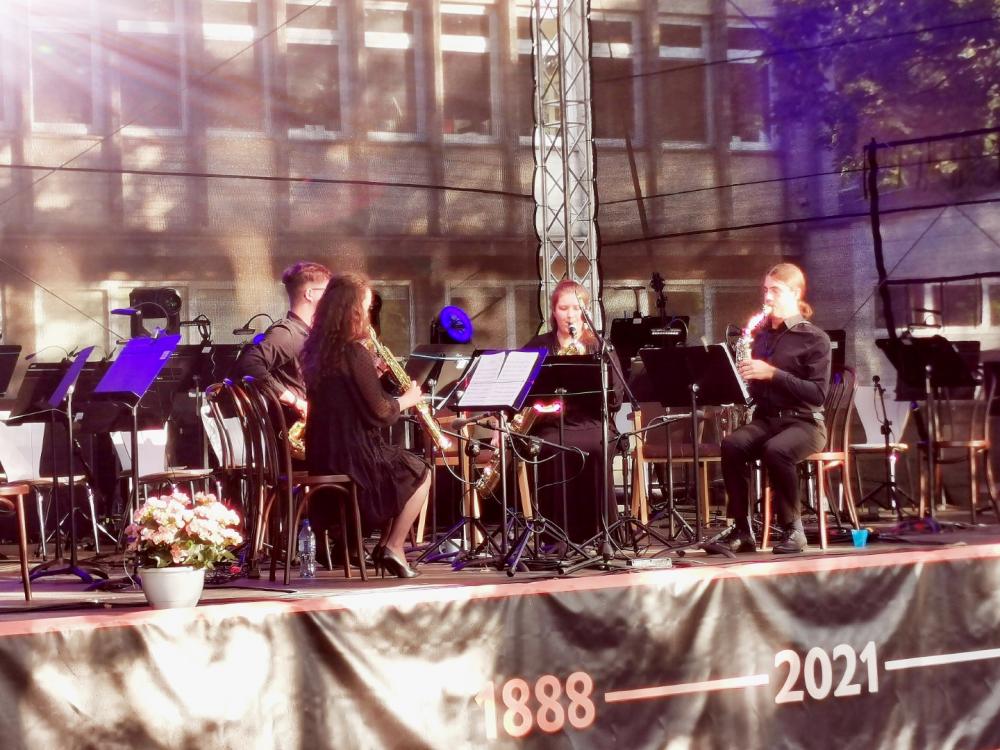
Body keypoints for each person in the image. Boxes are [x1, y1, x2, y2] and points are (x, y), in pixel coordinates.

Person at [301, 273, 430, 578]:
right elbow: (381, 412)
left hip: (322, 454)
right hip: (352, 456)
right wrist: (408, 399)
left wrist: (377, 379)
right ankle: (393, 546)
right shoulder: (354, 351)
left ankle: (377, 547)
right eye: (367, 306)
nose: (369, 314)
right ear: (353, 309)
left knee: (401, 467)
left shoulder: (317, 352)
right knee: (420, 471)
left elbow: (352, 401)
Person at [720, 263, 831, 554]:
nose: (767, 297)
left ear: (795, 293)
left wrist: (772, 374)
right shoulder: (762, 337)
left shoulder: (815, 339)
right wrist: (743, 379)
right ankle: (742, 530)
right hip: (768, 420)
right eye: (766, 290)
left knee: (776, 450)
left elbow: (818, 394)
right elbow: (758, 390)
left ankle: (794, 530)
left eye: (776, 291)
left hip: (805, 423)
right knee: (732, 445)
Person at [522, 279, 621, 547]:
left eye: (576, 308)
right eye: (563, 308)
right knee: (551, 445)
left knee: (598, 446)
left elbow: (616, 398)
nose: (569, 314)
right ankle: (556, 535)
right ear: (553, 312)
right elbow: (522, 391)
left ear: (585, 311)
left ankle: (602, 533)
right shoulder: (538, 346)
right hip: (552, 424)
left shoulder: (600, 346)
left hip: (592, 422)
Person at [232, 261, 332, 421]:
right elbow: (249, 364)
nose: (331, 297)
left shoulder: (304, 333)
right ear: (309, 294)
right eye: (327, 291)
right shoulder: (288, 333)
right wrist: (295, 402)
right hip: (296, 427)